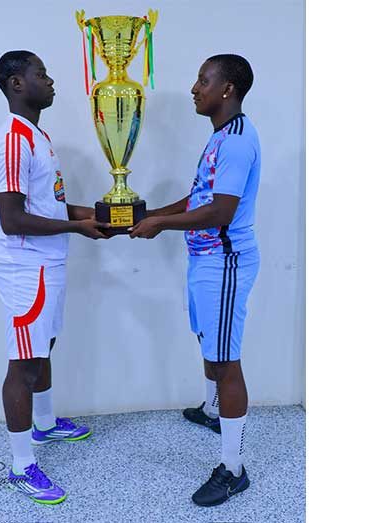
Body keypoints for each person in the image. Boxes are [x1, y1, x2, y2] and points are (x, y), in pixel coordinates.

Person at [130, 54, 260, 507]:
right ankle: (212, 410)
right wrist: (151, 213)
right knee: (209, 341)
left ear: (228, 89)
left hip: (225, 262)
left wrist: (161, 225)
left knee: (226, 361)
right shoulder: (221, 136)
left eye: (203, 80)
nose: (194, 88)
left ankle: (233, 469)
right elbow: (200, 197)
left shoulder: (237, 141)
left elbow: (220, 211)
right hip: (205, 258)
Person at [0, 50, 109, 505]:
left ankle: (44, 423)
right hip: (25, 266)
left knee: (44, 347)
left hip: (48, 262)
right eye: (41, 74)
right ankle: (21, 467)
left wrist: (98, 214)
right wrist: (78, 228)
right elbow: (12, 219)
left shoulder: (37, 135)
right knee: (24, 364)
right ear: (17, 84)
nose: (51, 80)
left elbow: (50, 206)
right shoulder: (12, 139)